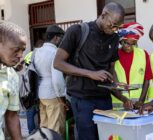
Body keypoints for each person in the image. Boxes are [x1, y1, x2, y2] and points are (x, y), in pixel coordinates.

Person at [54, 2, 131, 140]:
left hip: (104, 99)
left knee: (107, 137)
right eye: (112, 25)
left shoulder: (114, 38)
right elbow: (58, 63)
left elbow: (111, 69)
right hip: (82, 99)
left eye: (117, 27)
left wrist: (120, 90)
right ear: (103, 15)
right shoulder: (78, 31)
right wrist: (90, 73)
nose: (114, 29)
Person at [34, 25, 66, 136]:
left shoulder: (36, 52)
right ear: (56, 38)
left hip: (40, 94)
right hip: (53, 94)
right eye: (61, 38)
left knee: (44, 126)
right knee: (54, 129)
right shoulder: (55, 53)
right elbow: (57, 79)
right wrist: (62, 97)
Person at [111, 22, 153, 110]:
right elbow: (111, 83)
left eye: (133, 43)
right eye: (126, 43)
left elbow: (147, 80)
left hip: (138, 108)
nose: (129, 47)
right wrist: (124, 100)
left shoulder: (143, 54)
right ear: (121, 41)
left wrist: (141, 101)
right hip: (119, 108)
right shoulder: (113, 55)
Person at [0, 21, 27, 140]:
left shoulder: (12, 76)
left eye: (23, 50)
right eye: (16, 50)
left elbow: (11, 116)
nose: (21, 55)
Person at [23, 39, 44, 134]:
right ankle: (33, 133)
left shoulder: (29, 54)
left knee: (31, 113)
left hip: (28, 88)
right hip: (33, 89)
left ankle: (33, 132)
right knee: (32, 113)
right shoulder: (37, 55)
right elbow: (34, 73)